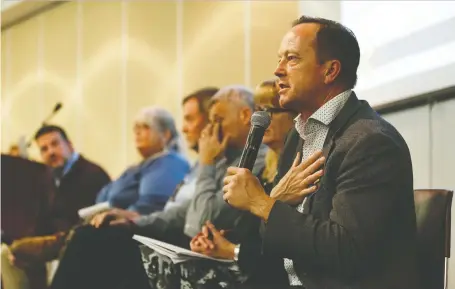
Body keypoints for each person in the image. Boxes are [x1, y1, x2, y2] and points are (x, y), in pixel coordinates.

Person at [220, 16, 419, 289]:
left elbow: (348, 251)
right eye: (279, 59)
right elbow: (272, 239)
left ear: (330, 71)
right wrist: (274, 202)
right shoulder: (298, 137)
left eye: (291, 59)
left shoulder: (370, 142)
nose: (278, 70)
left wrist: (263, 204)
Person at [1, 125, 111, 289]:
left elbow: (93, 216)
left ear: (69, 145)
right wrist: (26, 244)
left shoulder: (92, 174)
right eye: (44, 149)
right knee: (6, 252)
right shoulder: (47, 178)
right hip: (53, 239)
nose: (50, 152)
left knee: (19, 251)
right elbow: (41, 218)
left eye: (55, 144)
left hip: (77, 239)